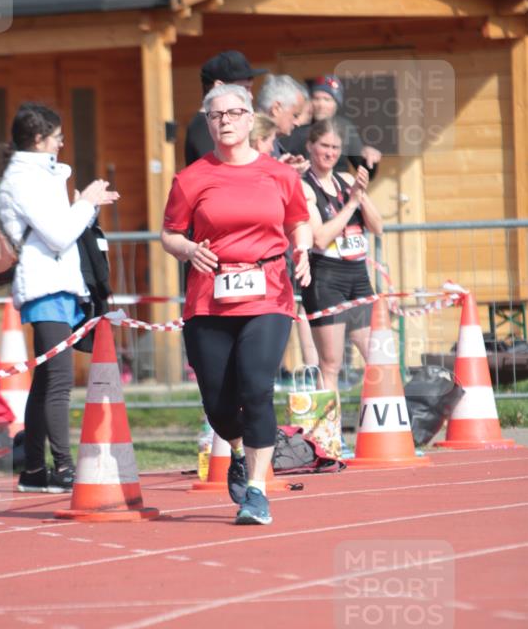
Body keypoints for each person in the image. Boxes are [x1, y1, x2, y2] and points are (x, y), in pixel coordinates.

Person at [161, 84, 311, 526]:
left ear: (250, 119)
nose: (224, 121)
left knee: (256, 387)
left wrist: (302, 250)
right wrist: (189, 249)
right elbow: (169, 234)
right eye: (216, 115)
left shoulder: (279, 175)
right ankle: (241, 451)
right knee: (219, 404)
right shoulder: (191, 178)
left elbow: (298, 221)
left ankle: (257, 491)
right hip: (209, 297)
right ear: (208, 124)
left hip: (268, 291)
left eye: (233, 113)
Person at [0, 102, 119, 493]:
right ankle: (63, 466)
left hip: (57, 283)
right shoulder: (24, 179)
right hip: (43, 286)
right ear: (38, 139)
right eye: (56, 137)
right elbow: (58, 234)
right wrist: (86, 202)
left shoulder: (40, 175)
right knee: (60, 381)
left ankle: (34, 470)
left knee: (47, 381)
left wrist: (85, 206)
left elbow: (60, 229)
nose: (61, 143)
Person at [301, 118, 383, 403]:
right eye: (324, 146)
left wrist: (362, 196)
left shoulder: (347, 180)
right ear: (310, 146)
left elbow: (377, 226)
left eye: (335, 147)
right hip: (326, 278)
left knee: (377, 356)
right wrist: (351, 204)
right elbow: (320, 238)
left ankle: (382, 423)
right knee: (331, 363)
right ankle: (329, 429)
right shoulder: (305, 188)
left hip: (358, 277)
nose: (330, 153)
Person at [250, 115, 318, 368]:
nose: (273, 147)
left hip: (276, 263)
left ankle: (282, 371)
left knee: (281, 316)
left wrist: (285, 171)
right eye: (270, 141)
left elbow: (298, 220)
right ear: (259, 141)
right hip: (257, 264)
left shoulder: (274, 170)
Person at [288, 75, 382, 180]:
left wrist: (370, 159)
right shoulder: (298, 130)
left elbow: (367, 173)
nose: (321, 104)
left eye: (327, 99)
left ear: (336, 104)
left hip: (338, 187)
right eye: (316, 98)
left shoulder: (345, 128)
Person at [184, 50, 267, 166]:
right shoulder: (205, 126)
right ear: (219, 87)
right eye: (245, 88)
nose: (251, 96)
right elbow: (222, 168)